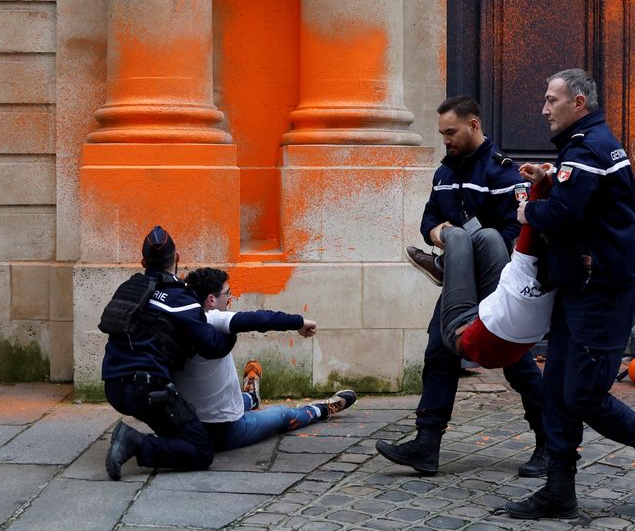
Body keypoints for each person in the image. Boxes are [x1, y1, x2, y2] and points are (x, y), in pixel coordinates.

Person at [505, 69, 635, 520]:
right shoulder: (588, 145)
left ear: (579, 103)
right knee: (556, 389)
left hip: (601, 291)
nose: (545, 109)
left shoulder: (587, 147)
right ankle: (558, 492)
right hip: (580, 285)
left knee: (584, 394)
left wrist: (529, 209)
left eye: (552, 100)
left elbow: (566, 213)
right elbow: (587, 199)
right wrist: (550, 175)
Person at [376, 96, 548, 478]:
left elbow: (514, 233)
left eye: (450, 132)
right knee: (439, 351)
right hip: (460, 279)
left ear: (473, 124)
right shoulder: (444, 174)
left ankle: (550, 442)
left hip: (497, 278)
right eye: (441, 134)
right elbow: (429, 219)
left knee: (515, 362)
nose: (445, 140)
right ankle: (426, 445)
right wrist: (440, 233)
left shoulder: (504, 174)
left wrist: (465, 247)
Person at [99, 226, 237, 480]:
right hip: (148, 392)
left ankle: (148, 439)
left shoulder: (128, 289)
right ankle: (135, 442)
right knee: (201, 450)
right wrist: (230, 326)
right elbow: (213, 346)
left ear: (142, 262)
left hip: (113, 388)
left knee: (178, 431)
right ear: (178, 257)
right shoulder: (180, 299)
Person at [177, 267, 356, 451]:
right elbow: (261, 319)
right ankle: (322, 409)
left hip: (185, 425)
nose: (230, 298)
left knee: (239, 399)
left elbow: (259, 319)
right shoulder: (211, 318)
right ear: (211, 299)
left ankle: (251, 397)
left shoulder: (175, 321)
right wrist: (300, 322)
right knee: (283, 415)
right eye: (227, 293)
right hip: (225, 429)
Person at [438, 176, 556, 369]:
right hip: (504, 335)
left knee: (457, 236)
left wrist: (541, 184)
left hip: (467, 337)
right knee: (489, 236)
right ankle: (450, 265)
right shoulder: (566, 273)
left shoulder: (524, 266)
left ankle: (441, 262)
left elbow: (530, 217)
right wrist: (546, 183)